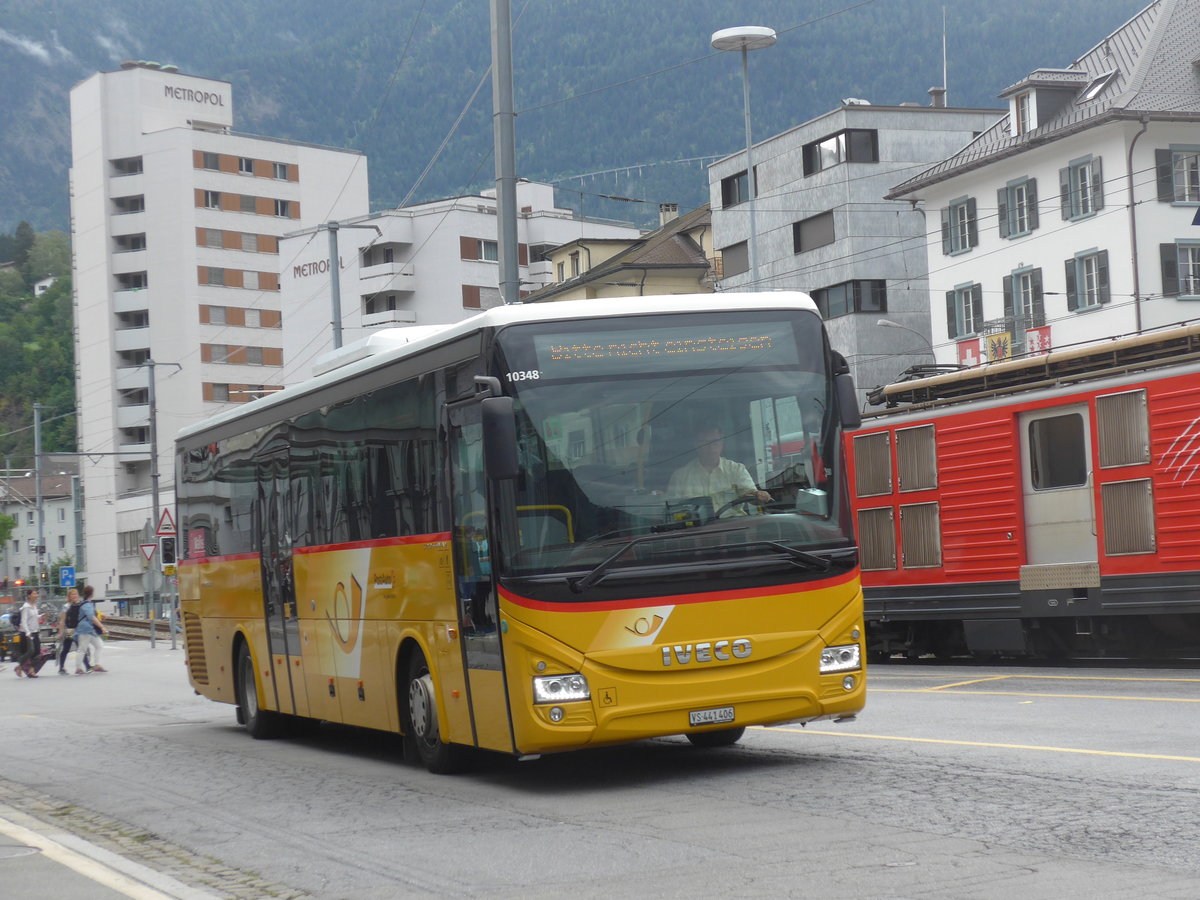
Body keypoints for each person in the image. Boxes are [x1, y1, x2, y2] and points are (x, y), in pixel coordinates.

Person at [667, 425, 771, 515]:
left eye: (715, 442)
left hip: (734, 528)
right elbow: (673, 510)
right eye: (705, 443)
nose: (711, 448)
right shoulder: (680, 477)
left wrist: (759, 496)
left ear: (722, 443)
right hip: (696, 531)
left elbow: (752, 496)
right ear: (696, 445)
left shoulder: (736, 470)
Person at [73, 584, 107, 675]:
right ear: (91, 594)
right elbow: (91, 617)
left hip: (89, 630)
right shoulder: (87, 605)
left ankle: (97, 665)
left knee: (99, 645)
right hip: (85, 629)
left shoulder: (87, 603)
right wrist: (101, 626)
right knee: (82, 649)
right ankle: (78, 668)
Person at [56, 587, 89, 675]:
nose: (74, 596)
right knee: (66, 648)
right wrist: (60, 632)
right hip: (70, 630)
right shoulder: (66, 606)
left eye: (76, 594)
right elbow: (62, 620)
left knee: (81, 648)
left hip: (79, 629)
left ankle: (87, 666)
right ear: (69, 596)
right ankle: (61, 668)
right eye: (72, 594)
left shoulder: (80, 605)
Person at [15, 589, 41, 678]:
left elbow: (34, 617)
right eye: (34, 593)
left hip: (35, 631)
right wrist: (27, 632)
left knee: (37, 652)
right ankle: (22, 667)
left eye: (37, 593)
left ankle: (29, 669)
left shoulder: (34, 605)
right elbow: (24, 621)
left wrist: (41, 616)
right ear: (29, 595)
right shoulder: (26, 607)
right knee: (30, 651)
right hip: (27, 633)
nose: (36, 595)